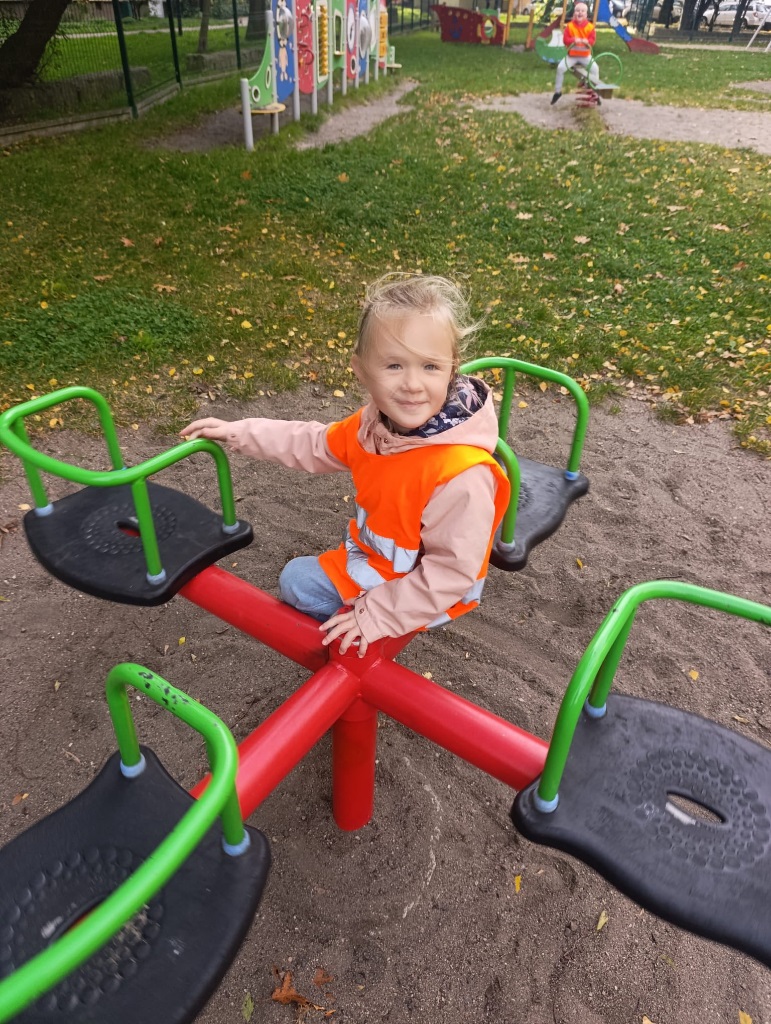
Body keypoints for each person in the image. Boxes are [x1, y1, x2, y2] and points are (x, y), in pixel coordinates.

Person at [180, 274, 510, 658]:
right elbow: (314, 443)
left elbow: (451, 574)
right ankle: (360, 623)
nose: (412, 384)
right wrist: (239, 432)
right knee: (298, 578)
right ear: (361, 369)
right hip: (379, 564)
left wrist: (378, 614)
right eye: (394, 365)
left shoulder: (461, 475)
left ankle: (362, 638)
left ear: (452, 369)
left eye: (430, 367)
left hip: (424, 590)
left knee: (297, 583)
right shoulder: (374, 427)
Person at [551, 1, 600, 105]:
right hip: (572, 56)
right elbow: (565, 40)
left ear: (586, 14)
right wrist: (573, 40)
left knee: (595, 69)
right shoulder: (570, 26)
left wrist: (588, 42)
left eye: (582, 11)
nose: (580, 13)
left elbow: (593, 40)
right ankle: (557, 92)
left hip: (585, 56)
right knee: (560, 68)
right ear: (574, 13)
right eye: (577, 10)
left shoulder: (590, 27)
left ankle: (595, 94)